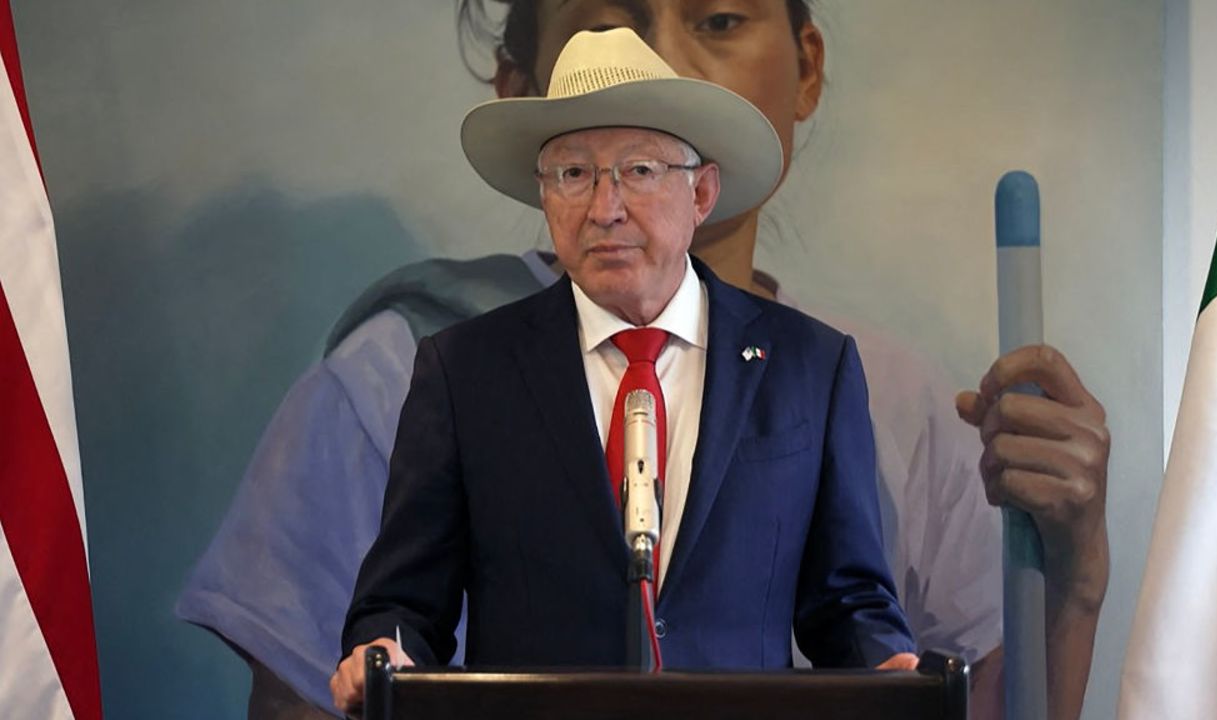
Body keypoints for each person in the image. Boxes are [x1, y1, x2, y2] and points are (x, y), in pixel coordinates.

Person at [177, 2, 1109, 719]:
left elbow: (909, 657)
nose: (661, 60)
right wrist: (381, 654)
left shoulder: (851, 382)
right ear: (526, 108)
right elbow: (356, 659)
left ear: (803, 64)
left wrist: (1067, 571)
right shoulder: (414, 375)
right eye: (610, 25)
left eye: (718, 18)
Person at [329, 27, 917, 712]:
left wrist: (888, 665)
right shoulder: (464, 371)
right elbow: (400, 604)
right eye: (574, 174)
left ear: (701, 194)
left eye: (638, 171)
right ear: (545, 197)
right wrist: (383, 649)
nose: (604, 209)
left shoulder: (811, 366)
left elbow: (848, 602)